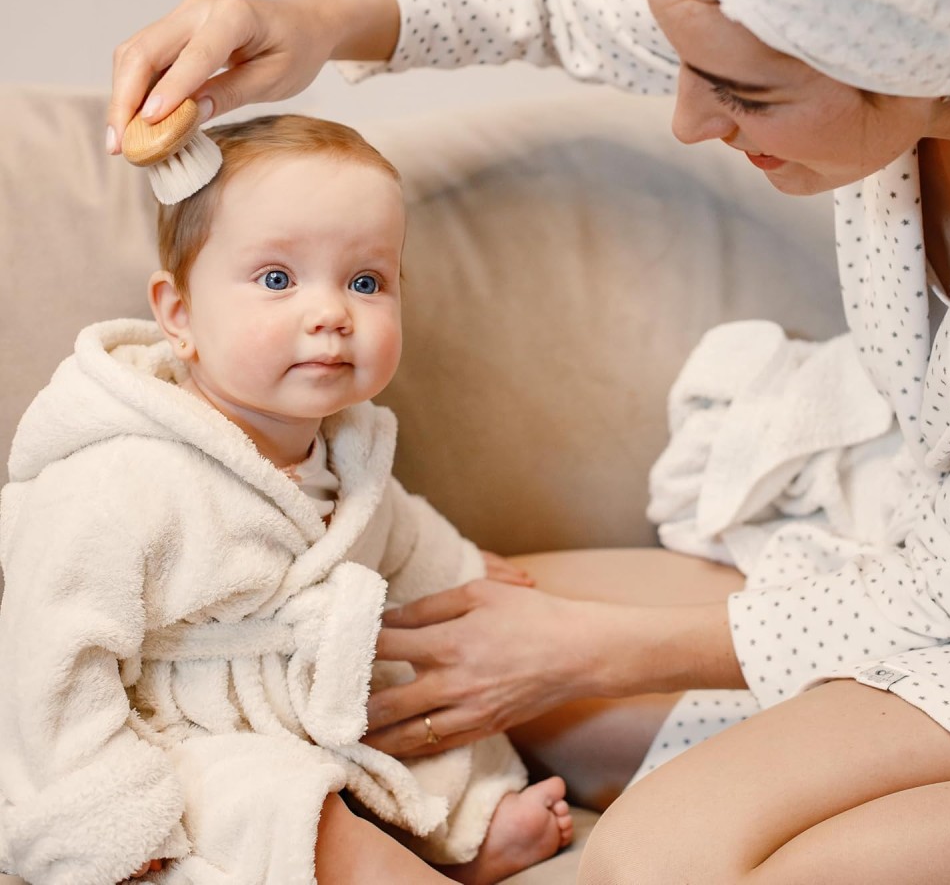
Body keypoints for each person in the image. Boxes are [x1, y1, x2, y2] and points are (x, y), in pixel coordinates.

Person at [103, 0, 950, 881]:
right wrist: (306, 20)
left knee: (656, 861)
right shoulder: (846, 27)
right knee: (396, 656)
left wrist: (593, 650)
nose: (687, 119)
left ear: (910, 58)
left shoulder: (883, 24)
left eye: (742, 95)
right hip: (928, 569)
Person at [0, 113, 574, 885]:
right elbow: (51, 667)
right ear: (180, 316)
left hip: (307, 700)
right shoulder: (115, 478)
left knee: (425, 697)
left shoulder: (348, 447)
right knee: (280, 798)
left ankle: (463, 828)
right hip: (173, 738)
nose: (332, 312)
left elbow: (397, 540)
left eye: (366, 282)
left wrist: (467, 577)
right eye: (278, 279)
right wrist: (106, 819)